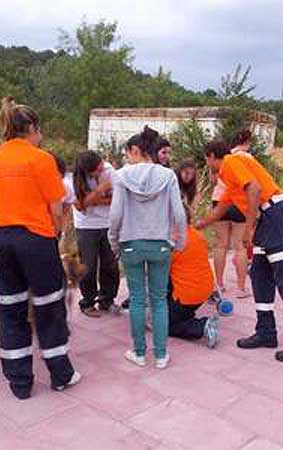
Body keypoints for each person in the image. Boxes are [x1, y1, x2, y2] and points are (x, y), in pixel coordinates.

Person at [0, 97, 80, 399]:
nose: (42, 136)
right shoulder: (41, 159)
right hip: (35, 240)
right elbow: (55, 205)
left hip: (1, 241)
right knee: (49, 308)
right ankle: (61, 374)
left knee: (10, 310)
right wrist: (55, 232)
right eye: (40, 130)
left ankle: (20, 384)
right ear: (31, 128)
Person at [197, 140, 283, 364]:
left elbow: (254, 188)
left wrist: (249, 229)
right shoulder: (228, 177)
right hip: (269, 217)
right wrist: (198, 225)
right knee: (260, 275)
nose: (207, 164)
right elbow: (221, 208)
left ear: (212, 156)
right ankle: (266, 332)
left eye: (206, 159)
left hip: (273, 214)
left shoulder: (231, 162)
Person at [109, 126, 186, 370]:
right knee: (159, 300)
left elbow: (115, 215)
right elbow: (179, 214)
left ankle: (139, 352)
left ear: (136, 150)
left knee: (138, 300)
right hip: (160, 244)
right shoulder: (168, 176)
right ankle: (161, 355)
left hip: (131, 244)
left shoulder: (121, 176)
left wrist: (114, 241)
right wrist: (179, 241)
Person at [63, 151, 120, 317]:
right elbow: (79, 206)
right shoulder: (72, 179)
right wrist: (100, 191)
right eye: (97, 170)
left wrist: (90, 200)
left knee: (110, 264)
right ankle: (87, 301)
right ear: (87, 172)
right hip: (86, 226)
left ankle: (107, 300)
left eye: (101, 165)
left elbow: (116, 199)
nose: (101, 170)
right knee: (88, 265)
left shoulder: (110, 171)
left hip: (109, 223)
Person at [168, 208, 218, 347]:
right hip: (205, 289)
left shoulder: (175, 242)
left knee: (164, 325)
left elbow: (159, 271)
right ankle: (184, 315)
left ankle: (201, 327)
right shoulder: (197, 235)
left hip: (187, 295)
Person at [210, 166, 250, 298]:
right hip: (239, 202)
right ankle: (241, 288)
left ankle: (220, 284)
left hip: (219, 200)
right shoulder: (243, 158)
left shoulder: (219, 161)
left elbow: (213, 180)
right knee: (240, 246)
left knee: (221, 244)